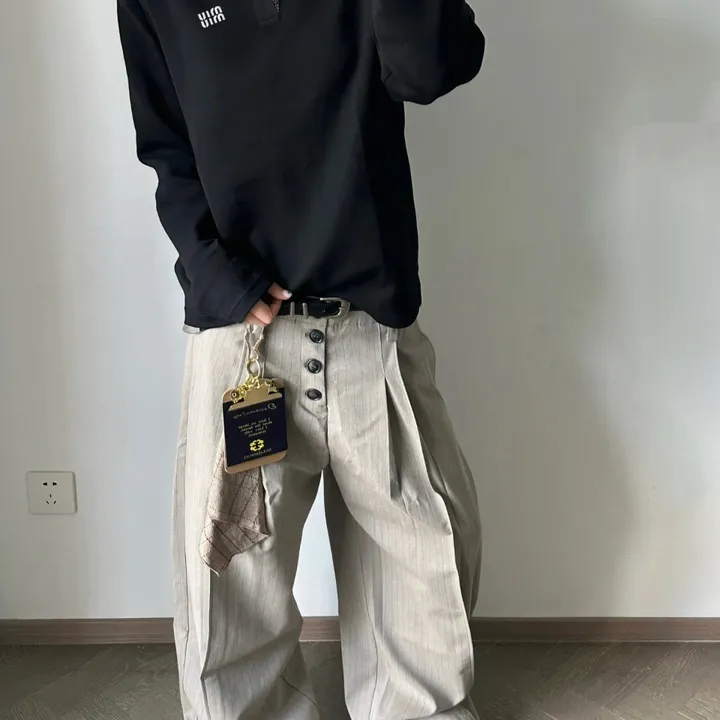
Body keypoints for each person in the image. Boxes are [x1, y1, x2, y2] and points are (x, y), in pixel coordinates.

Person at [117, 0, 485, 716]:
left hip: (371, 326)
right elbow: (165, 142)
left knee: (421, 557)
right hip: (243, 339)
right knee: (231, 577)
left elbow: (433, 68)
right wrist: (213, 271)